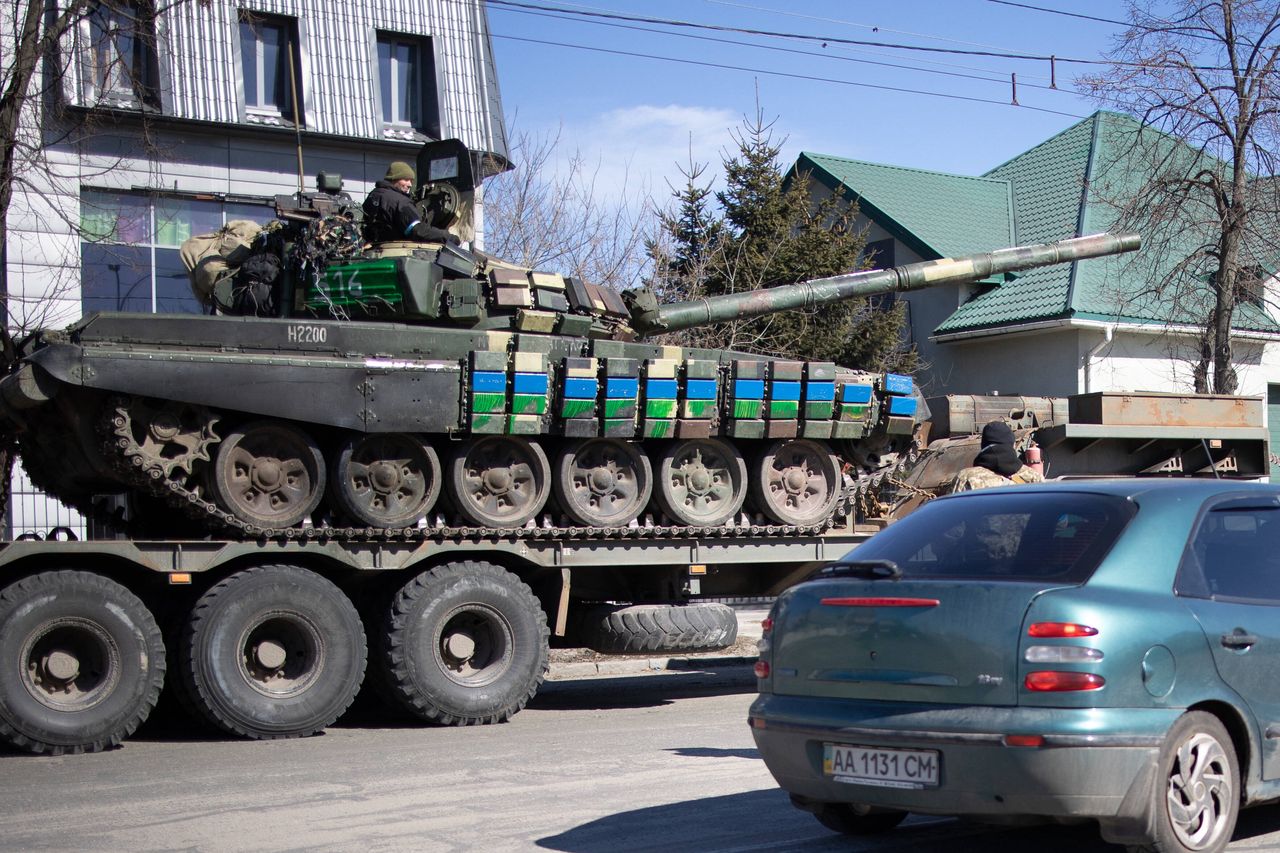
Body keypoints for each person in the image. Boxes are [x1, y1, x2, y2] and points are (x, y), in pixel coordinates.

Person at [362, 161, 458, 245]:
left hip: (375, 250)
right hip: (399, 253)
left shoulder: (373, 195)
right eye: (406, 180)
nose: (410, 185)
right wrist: (448, 237)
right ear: (394, 178)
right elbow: (417, 230)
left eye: (411, 181)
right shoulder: (400, 201)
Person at [949, 420, 1044, 493]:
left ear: (983, 446)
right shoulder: (1033, 477)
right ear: (1013, 445)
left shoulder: (966, 477)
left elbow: (952, 514)